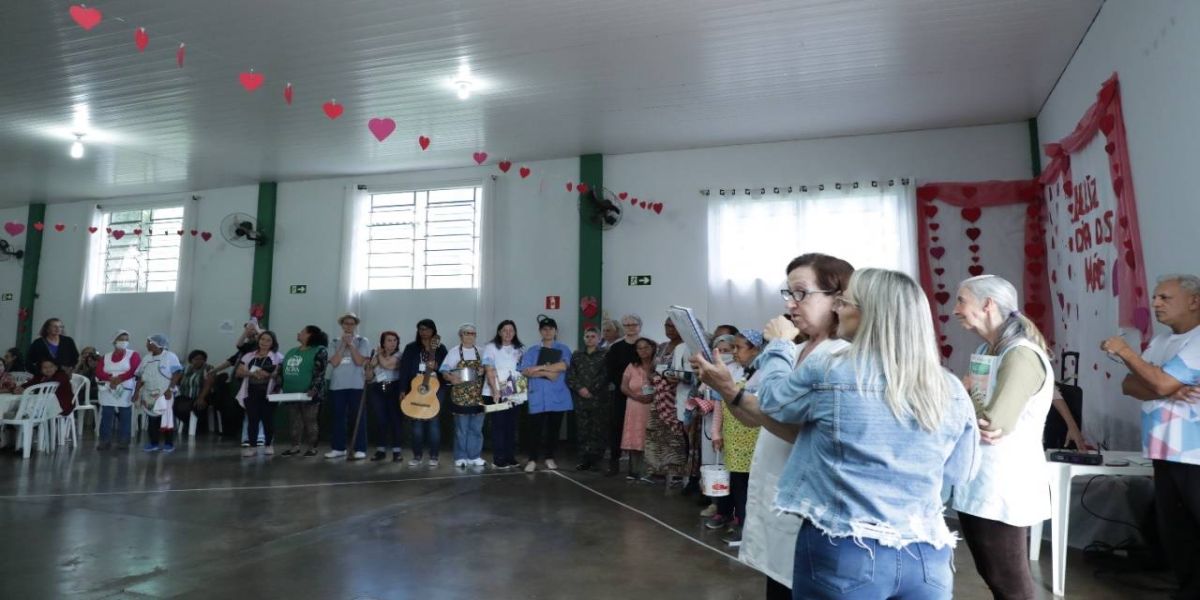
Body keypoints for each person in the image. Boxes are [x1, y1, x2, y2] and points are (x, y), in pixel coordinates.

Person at [700, 268, 980, 600]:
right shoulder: (949, 386)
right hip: (927, 554)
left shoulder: (833, 370)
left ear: (867, 313)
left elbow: (774, 401)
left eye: (845, 302)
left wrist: (777, 346)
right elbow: (960, 473)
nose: (838, 309)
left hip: (847, 550)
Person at [697, 252, 853, 599]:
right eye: (788, 293)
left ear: (838, 298)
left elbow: (794, 425)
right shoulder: (793, 353)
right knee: (778, 584)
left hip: (813, 501)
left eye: (801, 293)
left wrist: (730, 390)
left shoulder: (841, 356)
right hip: (778, 491)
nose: (791, 303)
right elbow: (754, 416)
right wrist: (727, 388)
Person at [949, 274, 1053, 600]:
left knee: (1011, 585)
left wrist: (960, 390)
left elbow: (993, 424)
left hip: (1004, 485)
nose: (955, 310)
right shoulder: (987, 349)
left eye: (961, 300)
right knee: (994, 577)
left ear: (987, 304)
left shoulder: (1020, 354)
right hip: (979, 481)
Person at [1102, 274, 1200, 600]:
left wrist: (1127, 354)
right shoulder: (1160, 341)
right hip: (1162, 449)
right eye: (1155, 297)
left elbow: (1156, 384)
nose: (1156, 304)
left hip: (1194, 453)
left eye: (1165, 298)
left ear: (1194, 301)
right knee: (1176, 530)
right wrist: (1168, 388)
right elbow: (1129, 385)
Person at [709, 329, 764, 544]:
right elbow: (719, 405)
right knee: (734, 480)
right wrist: (716, 432)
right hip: (732, 436)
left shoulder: (763, 373)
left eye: (739, 348)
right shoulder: (730, 370)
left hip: (753, 435)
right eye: (733, 348)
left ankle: (745, 525)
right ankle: (733, 517)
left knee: (747, 484)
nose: (734, 352)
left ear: (756, 349)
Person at [519, 316, 573, 472]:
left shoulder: (563, 348)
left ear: (556, 331)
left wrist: (538, 368)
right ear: (540, 331)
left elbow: (563, 366)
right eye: (544, 329)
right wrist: (549, 372)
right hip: (537, 395)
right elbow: (525, 371)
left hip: (557, 396)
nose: (547, 331)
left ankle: (550, 457)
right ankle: (532, 459)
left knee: (553, 430)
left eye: (551, 329)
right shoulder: (532, 350)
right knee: (534, 430)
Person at [200, 319, 261, 446]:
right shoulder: (244, 348)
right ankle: (237, 433)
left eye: (250, 329)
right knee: (235, 407)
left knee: (249, 409)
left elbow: (258, 339)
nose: (247, 332)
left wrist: (256, 328)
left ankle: (251, 436)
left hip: (250, 382)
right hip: (237, 382)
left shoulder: (257, 346)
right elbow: (230, 360)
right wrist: (214, 371)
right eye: (246, 329)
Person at [643, 318, 687, 483]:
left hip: (675, 398)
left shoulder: (685, 348)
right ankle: (656, 469)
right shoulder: (661, 347)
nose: (669, 329)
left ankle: (676, 472)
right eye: (667, 326)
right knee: (655, 433)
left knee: (674, 435)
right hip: (658, 397)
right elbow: (652, 369)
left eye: (673, 326)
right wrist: (653, 377)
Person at [399, 319, 447, 467]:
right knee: (416, 422)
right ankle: (417, 455)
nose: (423, 332)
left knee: (433, 421)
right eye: (420, 329)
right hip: (416, 388)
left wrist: (437, 366)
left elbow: (447, 369)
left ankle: (433, 456)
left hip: (436, 388)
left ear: (433, 331)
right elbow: (404, 370)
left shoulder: (440, 348)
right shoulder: (411, 348)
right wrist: (402, 390)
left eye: (426, 329)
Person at [442, 323, 487, 468]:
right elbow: (443, 370)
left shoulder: (481, 351)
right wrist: (450, 378)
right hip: (460, 396)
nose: (470, 336)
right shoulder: (454, 352)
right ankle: (461, 456)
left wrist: (484, 369)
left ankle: (474, 456)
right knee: (462, 429)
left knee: (476, 429)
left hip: (478, 396)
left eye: (472, 333)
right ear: (460, 336)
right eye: (466, 333)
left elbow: (490, 367)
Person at [280, 326, 328, 458]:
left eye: (302, 332)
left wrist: (314, 388)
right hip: (291, 392)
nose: (298, 333)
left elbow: (320, 372)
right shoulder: (292, 351)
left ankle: (312, 448)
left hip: (309, 393)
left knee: (310, 420)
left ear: (310, 335)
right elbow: (281, 369)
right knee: (294, 421)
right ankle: (295, 446)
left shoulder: (320, 350)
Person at [326, 313, 370, 460]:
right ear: (342, 325)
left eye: (352, 323)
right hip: (338, 385)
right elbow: (334, 362)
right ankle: (338, 448)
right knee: (338, 417)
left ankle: (360, 448)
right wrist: (343, 344)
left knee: (358, 417)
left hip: (356, 384)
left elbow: (359, 361)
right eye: (346, 323)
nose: (349, 326)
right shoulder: (334, 341)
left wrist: (351, 344)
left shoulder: (363, 341)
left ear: (355, 325)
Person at [567, 327, 610, 470]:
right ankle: (584, 459)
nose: (590, 339)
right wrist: (580, 389)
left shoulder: (605, 354)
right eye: (587, 336)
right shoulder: (577, 355)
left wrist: (591, 390)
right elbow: (571, 376)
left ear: (599, 338)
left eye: (593, 336)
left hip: (599, 398)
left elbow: (606, 375)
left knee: (598, 430)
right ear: (584, 338)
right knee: (583, 430)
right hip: (580, 399)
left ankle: (596, 460)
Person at [483, 320, 524, 469]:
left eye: (511, 330)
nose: (508, 333)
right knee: (498, 425)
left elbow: (520, 370)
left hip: (513, 389)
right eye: (505, 330)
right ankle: (498, 458)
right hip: (495, 389)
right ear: (499, 332)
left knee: (511, 425)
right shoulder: (490, 347)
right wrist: (495, 390)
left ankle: (510, 456)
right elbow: (489, 369)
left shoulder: (519, 349)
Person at [605, 314, 643, 475]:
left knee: (639, 427)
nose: (630, 327)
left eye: (633, 324)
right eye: (626, 325)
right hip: (621, 392)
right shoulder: (616, 348)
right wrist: (625, 386)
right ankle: (614, 463)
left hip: (642, 394)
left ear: (639, 326)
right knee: (617, 426)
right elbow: (611, 370)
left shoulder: (645, 345)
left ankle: (637, 467)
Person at [134, 334, 184, 453]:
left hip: (164, 392)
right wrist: (136, 393)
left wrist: (170, 389)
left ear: (157, 344)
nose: (146, 344)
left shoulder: (169, 356)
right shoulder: (146, 358)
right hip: (149, 393)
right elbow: (140, 377)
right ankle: (153, 443)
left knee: (166, 418)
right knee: (152, 419)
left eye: (149, 342)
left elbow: (177, 373)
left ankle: (168, 443)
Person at [235, 331, 283, 457]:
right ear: (258, 340)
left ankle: (268, 444)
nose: (264, 342)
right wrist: (252, 374)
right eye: (262, 339)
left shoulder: (278, 357)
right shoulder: (249, 356)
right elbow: (238, 373)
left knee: (268, 419)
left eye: (268, 340)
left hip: (269, 393)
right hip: (250, 391)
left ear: (273, 343)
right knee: (252, 420)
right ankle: (252, 446)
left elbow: (279, 375)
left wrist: (269, 375)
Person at [95, 330, 141, 451]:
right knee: (106, 414)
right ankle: (104, 440)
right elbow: (99, 371)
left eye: (126, 339)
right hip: (108, 387)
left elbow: (134, 370)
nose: (124, 342)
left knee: (125, 414)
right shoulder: (106, 356)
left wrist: (119, 379)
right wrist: (110, 379)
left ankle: (124, 441)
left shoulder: (133, 355)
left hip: (125, 388)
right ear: (114, 341)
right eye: (121, 339)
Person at [620, 337, 658, 480]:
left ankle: (648, 472)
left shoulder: (658, 365)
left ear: (653, 348)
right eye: (639, 348)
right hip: (634, 405)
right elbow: (623, 386)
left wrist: (652, 396)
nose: (643, 350)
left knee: (649, 436)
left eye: (646, 347)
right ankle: (633, 471)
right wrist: (637, 397)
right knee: (634, 435)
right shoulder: (632, 366)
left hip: (653, 405)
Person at [365, 330, 403, 462]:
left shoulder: (399, 355)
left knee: (395, 420)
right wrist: (370, 367)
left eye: (394, 340)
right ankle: (380, 450)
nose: (392, 343)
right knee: (381, 420)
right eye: (389, 340)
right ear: (383, 342)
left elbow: (388, 365)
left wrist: (379, 354)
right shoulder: (376, 356)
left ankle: (397, 451)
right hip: (377, 388)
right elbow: (369, 377)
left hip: (394, 387)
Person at [174, 350, 213, 435]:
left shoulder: (208, 368)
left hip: (201, 396)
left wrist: (201, 398)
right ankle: (188, 423)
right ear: (191, 360)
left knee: (197, 406)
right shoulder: (185, 369)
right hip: (186, 396)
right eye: (196, 359)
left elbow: (208, 384)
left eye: (202, 359)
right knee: (174, 404)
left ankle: (196, 427)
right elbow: (176, 380)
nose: (199, 361)